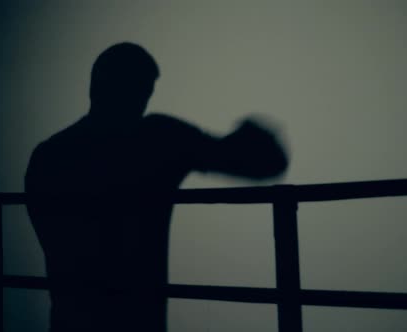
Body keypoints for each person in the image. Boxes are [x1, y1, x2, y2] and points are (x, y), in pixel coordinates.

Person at [25, 42, 289, 332]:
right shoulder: (156, 139)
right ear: (139, 91)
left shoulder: (49, 154)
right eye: (144, 88)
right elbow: (266, 162)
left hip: (70, 321)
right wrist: (253, 133)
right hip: (138, 320)